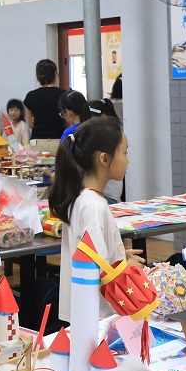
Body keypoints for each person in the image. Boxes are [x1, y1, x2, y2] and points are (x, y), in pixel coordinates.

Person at [51, 116, 139, 322]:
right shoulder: (93, 206)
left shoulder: (82, 198)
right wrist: (129, 266)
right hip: (98, 317)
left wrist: (118, 253)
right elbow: (100, 270)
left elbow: (91, 254)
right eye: (124, 153)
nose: (127, 161)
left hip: (85, 313)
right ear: (104, 159)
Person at [24, 59, 65, 151]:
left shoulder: (31, 96)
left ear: (38, 77)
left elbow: (30, 124)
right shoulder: (63, 95)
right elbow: (68, 122)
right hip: (58, 141)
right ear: (56, 74)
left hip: (37, 142)